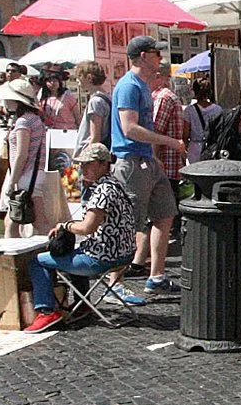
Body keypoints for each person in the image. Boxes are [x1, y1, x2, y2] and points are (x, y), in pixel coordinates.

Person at [23, 142, 136, 332]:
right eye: (82, 164)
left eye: (88, 164)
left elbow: (87, 228)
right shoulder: (117, 185)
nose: (83, 168)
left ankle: (46, 311)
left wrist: (65, 225)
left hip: (102, 258)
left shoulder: (103, 191)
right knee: (76, 252)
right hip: (124, 255)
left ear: (103, 164)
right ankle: (83, 304)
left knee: (38, 262)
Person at [109, 37, 185, 297]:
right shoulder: (129, 86)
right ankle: (114, 283)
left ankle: (157, 276)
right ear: (143, 56)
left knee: (165, 214)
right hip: (131, 162)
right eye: (156, 53)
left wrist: (154, 156)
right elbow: (129, 128)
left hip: (147, 161)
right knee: (128, 223)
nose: (161, 58)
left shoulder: (142, 85)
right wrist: (169, 142)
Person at [141, 65, 191, 291]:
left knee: (158, 217)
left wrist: (154, 160)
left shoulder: (163, 97)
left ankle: (147, 267)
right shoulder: (164, 96)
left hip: (165, 166)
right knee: (158, 218)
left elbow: (155, 132)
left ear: (159, 76)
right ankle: (146, 266)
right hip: (167, 165)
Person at [0, 79, 49, 239]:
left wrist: (12, 181)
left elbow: (21, 154)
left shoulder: (23, 122)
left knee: (15, 221)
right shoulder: (34, 119)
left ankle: (12, 252)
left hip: (25, 175)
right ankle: (52, 246)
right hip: (33, 174)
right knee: (35, 221)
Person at [71, 61, 113, 147]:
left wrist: (86, 153)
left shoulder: (96, 101)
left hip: (89, 151)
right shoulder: (107, 97)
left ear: (89, 78)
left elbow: (95, 137)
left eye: (79, 76)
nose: (77, 80)